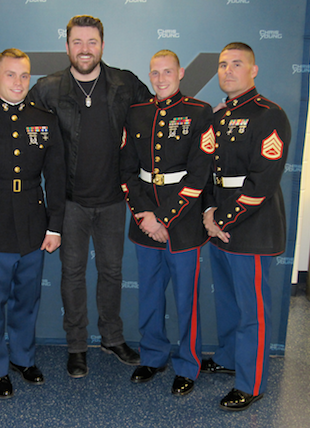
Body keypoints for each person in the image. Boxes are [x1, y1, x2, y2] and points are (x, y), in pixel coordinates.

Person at [28, 15, 151, 378]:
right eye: (78, 42)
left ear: (102, 45)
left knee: (112, 271)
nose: (85, 49)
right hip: (70, 203)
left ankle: (112, 337)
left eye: (92, 42)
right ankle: (77, 346)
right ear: (67, 46)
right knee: (72, 274)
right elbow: (23, 128)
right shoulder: (48, 88)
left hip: (114, 200)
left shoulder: (125, 84)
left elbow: (158, 115)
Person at [0, 49, 65, 399]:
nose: (18, 83)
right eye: (10, 75)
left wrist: (55, 226)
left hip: (33, 222)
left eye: (24, 76)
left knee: (27, 298)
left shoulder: (44, 119)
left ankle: (22, 357)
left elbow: (56, 176)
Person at [202, 42, 291, 411]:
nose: (228, 71)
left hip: (250, 228)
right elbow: (209, 172)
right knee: (227, 303)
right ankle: (227, 357)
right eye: (223, 64)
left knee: (252, 311)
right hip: (219, 226)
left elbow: (262, 182)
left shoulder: (270, 115)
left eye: (237, 64)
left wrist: (220, 220)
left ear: (253, 70)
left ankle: (251, 382)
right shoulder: (219, 116)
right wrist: (208, 211)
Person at [120, 50, 214, 395]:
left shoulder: (198, 112)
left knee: (186, 299)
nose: (160, 79)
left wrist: (164, 217)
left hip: (184, 224)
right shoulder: (137, 113)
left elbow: (200, 174)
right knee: (149, 297)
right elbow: (127, 170)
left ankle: (188, 364)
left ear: (181, 72)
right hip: (146, 222)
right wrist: (145, 216)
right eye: (155, 72)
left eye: (167, 72)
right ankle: (153, 355)